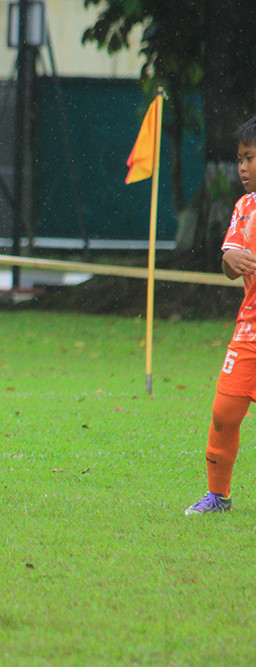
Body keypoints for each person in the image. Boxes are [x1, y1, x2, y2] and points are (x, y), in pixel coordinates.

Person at [185, 114, 256, 515]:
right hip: (249, 331)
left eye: (249, 158)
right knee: (224, 414)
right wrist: (230, 256)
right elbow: (228, 264)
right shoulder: (244, 207)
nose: (241, 167)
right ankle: (217, 496)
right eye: (239, 159)